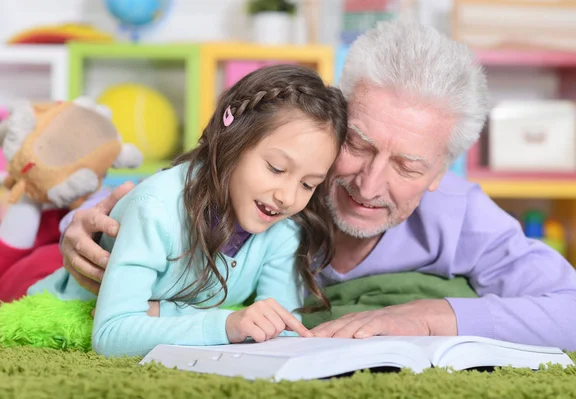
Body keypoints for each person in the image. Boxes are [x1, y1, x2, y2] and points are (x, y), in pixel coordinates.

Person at [61, 21, 576, 351]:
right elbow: (168, 194)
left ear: (442, 173)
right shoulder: (273, 181)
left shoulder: (462, 217)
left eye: (409, 166)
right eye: (358, 143)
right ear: (331, 119)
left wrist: (431, 316)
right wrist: (77, 224)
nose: (369, 184)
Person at [0, 64, 349, 359]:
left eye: (308, 184)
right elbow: (110, 334)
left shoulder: (284, 230)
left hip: (113, 258)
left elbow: (281, 325)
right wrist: (225, 324)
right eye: (276, 168)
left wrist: (165, 313)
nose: (287, 196)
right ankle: (24, 204)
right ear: (234, 140)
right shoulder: (155, 207)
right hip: (40, 285)